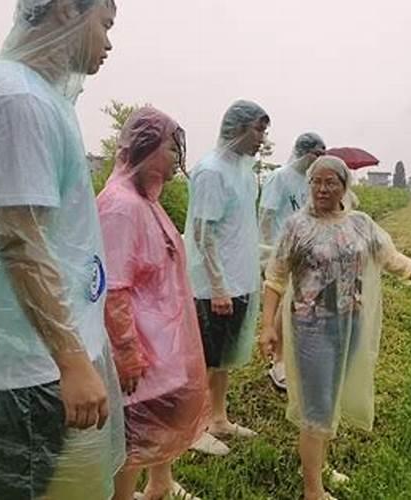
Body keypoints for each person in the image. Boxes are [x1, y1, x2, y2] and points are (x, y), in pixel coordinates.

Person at [0, 1, 125, 499]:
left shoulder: (35, 97)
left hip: (41, 364)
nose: (108, 42)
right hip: (25, 373)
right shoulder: (18, 100)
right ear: (64, 9)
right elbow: (19, 239)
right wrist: (73, 362)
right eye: (104, 24)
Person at [259, 156, 411, 500]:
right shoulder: (296, 227)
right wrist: (268, 325)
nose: (323, 189)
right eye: (316, 182)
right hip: (311, 328)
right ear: (308, 185)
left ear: (344, 186)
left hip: (350, 324)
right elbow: (276, 278)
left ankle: (318, 466)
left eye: (331, 182)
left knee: (331, 398)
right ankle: (312, 490)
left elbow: (393, 259)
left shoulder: (360, 224)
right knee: (317, 407)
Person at [97, 107, 210, 500]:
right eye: (170, 152)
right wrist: (127, 352)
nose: (177, 164)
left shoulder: (145, 201)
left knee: (151, 433)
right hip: (140, 354)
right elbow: (113, 287)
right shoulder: (121, 207)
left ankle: (160, 486)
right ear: (144, 147)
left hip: (159, 348)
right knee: (129, 446)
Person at [185, 99, 270, 455]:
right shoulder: (212, 171)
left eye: (264, 131)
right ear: (236, 129)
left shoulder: (244, 173)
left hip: (239, 281)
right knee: (205, 360)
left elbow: (241, 229)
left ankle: (218, 417)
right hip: (212, 287)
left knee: (223, 360)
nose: (262, 139)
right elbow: (204, 234)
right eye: (258, 130)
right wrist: (218, 286)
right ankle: (194, 427)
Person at [259, 132, 326, 390]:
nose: (319, 159)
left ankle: (289, 359)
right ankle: (277, 362)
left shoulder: (309, 182)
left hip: (305, 255)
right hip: (281, 252)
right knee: (284, 307)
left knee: (297, 308)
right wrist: (266, 253)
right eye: (316, 154)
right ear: (304, 152)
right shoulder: (280, 178)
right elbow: (266, 215)